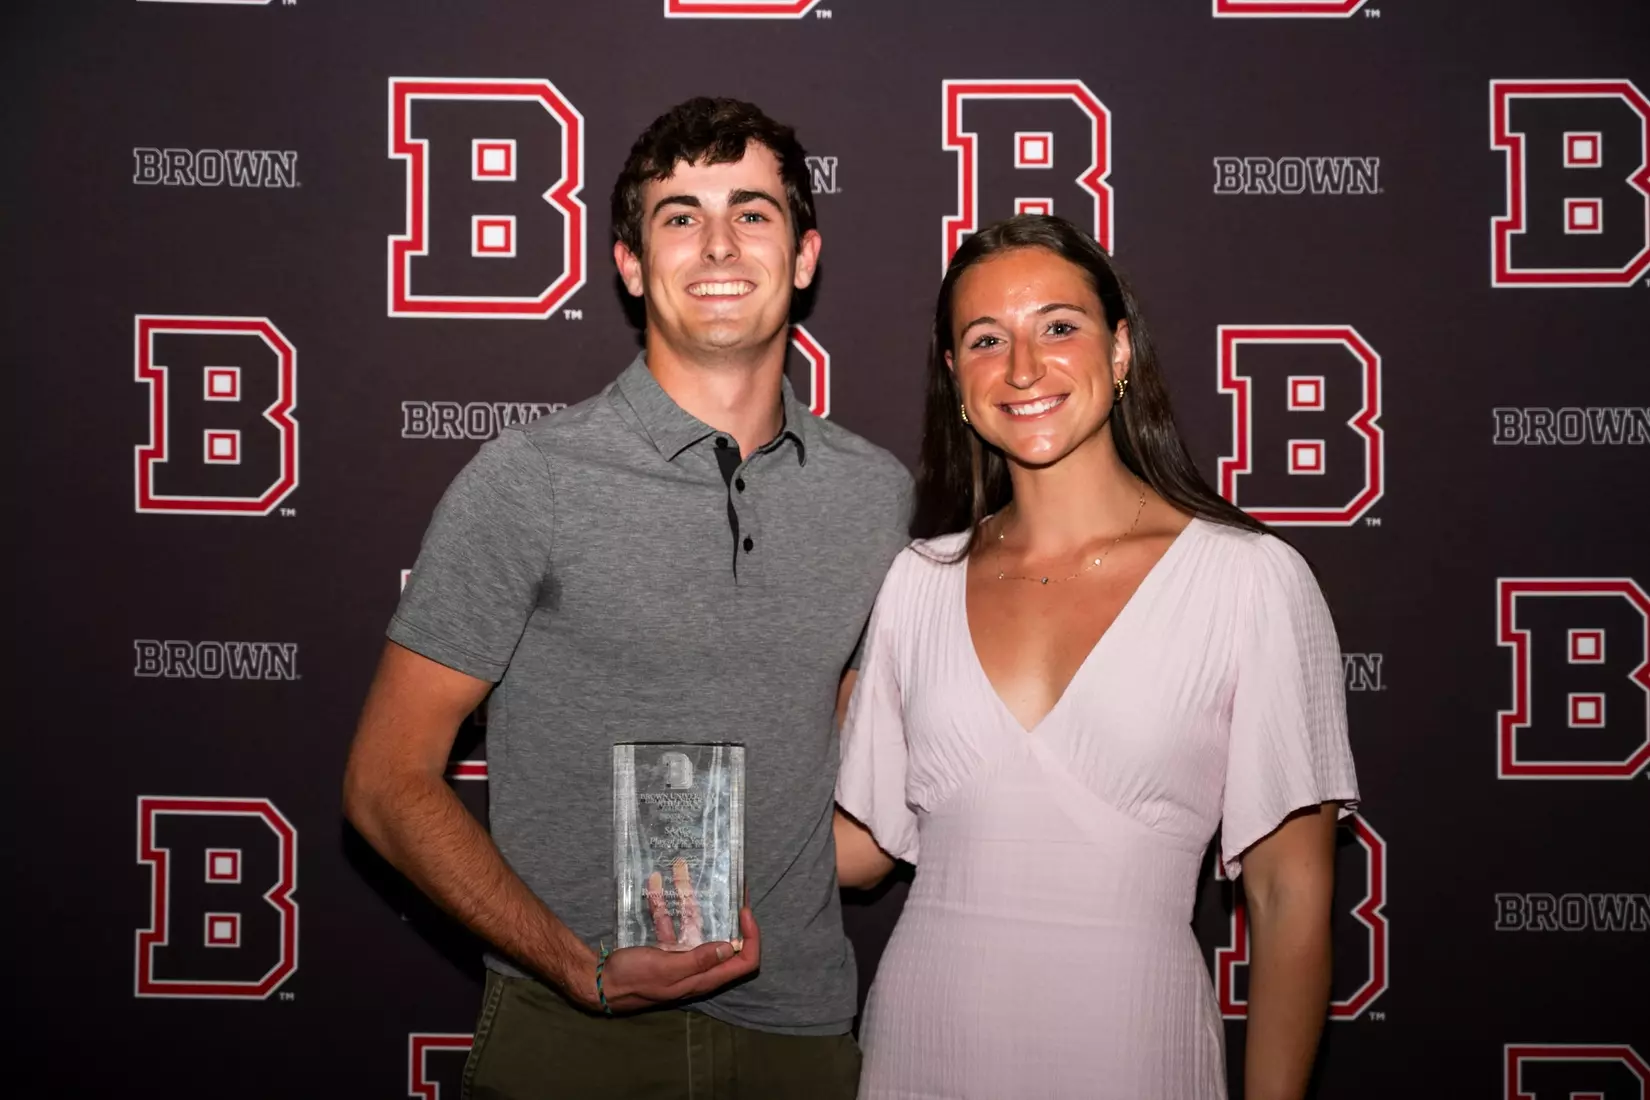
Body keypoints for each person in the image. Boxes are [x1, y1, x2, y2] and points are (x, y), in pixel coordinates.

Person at [344, 97, 910, 1099]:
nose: (720, 243)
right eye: (680, 216)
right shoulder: (532, 478)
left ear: (806, 253)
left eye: (754, 212)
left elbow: (857, 782)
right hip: (572, 1037)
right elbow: (387, 782)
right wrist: (574, 963)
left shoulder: (876, 494)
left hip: (804, 1037)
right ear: (633, 264)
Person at [833, 214, 1358, 1100]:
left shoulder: (1249, 580)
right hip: (921, 1050)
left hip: (1132, 1050)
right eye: (987, 339)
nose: (1025, 369)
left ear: (1120, 352)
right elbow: (858, 852)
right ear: (956, 377)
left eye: (1059, 327)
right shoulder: (915, 582)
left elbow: (1287, 899)